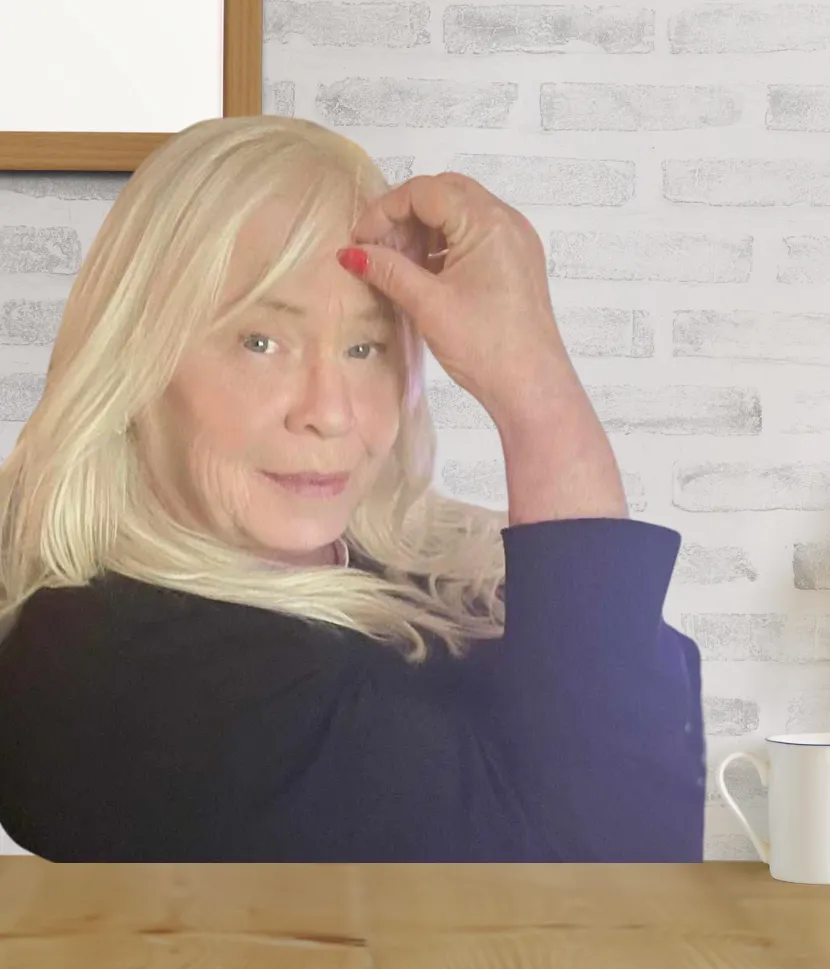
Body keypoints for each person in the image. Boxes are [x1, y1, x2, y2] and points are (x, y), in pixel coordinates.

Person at [0, 115, 706, 862]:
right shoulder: (101, 662)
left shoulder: (413, 568)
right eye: (260, 342)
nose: (329, 412)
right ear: (135, 361)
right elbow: (623, 879)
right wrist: (535, 393)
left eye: (364, 346)